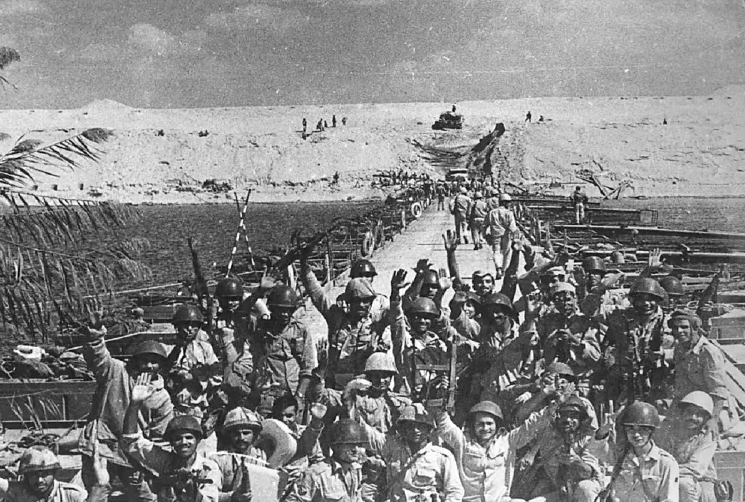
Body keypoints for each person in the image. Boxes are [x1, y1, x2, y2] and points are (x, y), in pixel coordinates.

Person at [80, 317, 173, 502]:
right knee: (98, 492)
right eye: (144, 361)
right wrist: (95, 335)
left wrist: (154, 466)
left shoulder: (162, 397)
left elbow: (160, 435)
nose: (149, 366)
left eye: (154, 362)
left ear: (161, 366)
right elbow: (98, 358)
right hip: (102, 447)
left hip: (133, 455)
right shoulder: (117, 372)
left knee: (144, 497)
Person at [432, 393, 570, 502]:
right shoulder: (462, 441)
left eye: (489, 424)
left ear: (497, 425)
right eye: (480, 424)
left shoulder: (508, 441)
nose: (485, 428)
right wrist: (441, 397)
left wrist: (552, 408)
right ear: (473, 425)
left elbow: (531, 426)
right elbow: (444, 426)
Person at [121, 374, 222, 502]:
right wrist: (135, 404)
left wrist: (191, 489)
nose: (184, 442)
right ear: (171, 443)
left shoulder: (208, 468)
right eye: (178, 438)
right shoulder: (165, 461)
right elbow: (131, 442)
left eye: (189, 437)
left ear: (197, 440)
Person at [301, 251, 390, 389]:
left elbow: (397, 316)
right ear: (348, 302)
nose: (361, 305)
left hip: (366, 385)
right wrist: (305, 267)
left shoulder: (376, 321)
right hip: (335, 383)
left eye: (365, 301)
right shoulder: (336, 316)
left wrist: (396, 294)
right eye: (356, 301)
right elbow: (317, 295)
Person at [360, 404, 464, 502]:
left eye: (421, 426)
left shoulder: (442, 456)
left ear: (429, 429)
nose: (416, 430)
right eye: (410, 426)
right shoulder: (392, 447)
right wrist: (354, 413)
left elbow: (455, 491)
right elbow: (368, 435)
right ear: (403, 429)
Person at [519, 397, 603, 502]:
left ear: (581, 420)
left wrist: (577, 462)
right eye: (564, 415)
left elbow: (589, 473)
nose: (568, 420)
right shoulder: (549, 438)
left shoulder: (588, 440)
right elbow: (523, 419)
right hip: (561, 492)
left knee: (585, 488)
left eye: (573, 416)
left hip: (583, 492)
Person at [598, 401, 679, 502]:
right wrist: (604, 430)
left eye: (642, 429)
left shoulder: (666, 463)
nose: (636, 434)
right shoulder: (620, 456)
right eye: (630, 429)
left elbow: (669, 499)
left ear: (651, 431)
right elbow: (595, 450)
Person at [669, 311, 728, 431]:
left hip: (710, 406)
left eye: (684, 327)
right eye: (675, 328)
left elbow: (718, 391)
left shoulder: (708, 353)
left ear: (695, 328)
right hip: (688, 403)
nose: (679, 331)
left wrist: (713, 419)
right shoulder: (680, 348)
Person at [657, 392, 717, 502]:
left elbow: (695, 469)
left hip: (700, 481)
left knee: (683, 484)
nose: (693, 417)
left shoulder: (707, 436)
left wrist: (665, 471)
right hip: (672, 476)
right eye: (689, 412)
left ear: (705, 418)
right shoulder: (671, 429)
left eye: (699, 414)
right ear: (682, 412)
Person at [286, 419, 366, 502]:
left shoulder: (356, 471)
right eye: (349, 445)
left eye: (358, 445)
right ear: (335, 446)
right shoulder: (317, 474)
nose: (355, 449)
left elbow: (357, 498)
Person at [0, 447, 87, 502]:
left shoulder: (72, 495)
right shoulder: (21, 492)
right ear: (26, 476)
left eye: (45, 474)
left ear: (54, 473)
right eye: (33, 475)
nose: (40, 480)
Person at [485, 193, 517, 279]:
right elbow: (513, 227)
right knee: (507, 253)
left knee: (496, 252)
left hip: (495, 234)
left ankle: (498, 268)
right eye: (508, 202)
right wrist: (514, 237)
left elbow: (484, 225)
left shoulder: (492, 212)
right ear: (505, 203)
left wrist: (485, 235)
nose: (509, 204)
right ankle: (504, 270)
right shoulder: (509, 213)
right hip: (507, 235)